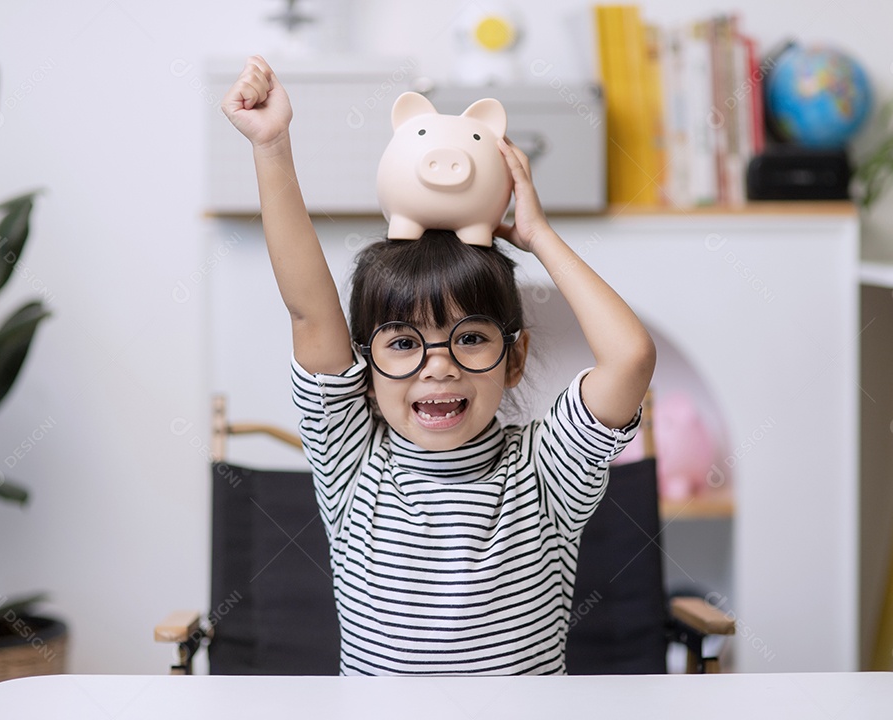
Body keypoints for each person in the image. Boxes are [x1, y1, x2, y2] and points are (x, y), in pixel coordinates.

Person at [221, 56, 657, 675]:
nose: (439, 368)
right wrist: (271, 144)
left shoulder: (546, 471)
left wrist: (537, 236)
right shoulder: (352, 463)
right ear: (365, 365)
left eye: (471, 338)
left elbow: (630, 356)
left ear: (515, 359)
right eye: (402, 343)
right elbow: (310, 315)